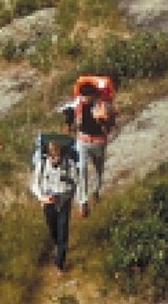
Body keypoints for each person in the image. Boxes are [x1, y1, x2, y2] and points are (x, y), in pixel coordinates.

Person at [32, 139, 78, 272]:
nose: (55, 158)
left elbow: (75, 182)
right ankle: (58, 246)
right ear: (48, 154)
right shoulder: (41, 165)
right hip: (47, 202)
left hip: (63, 200)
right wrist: (42, 197)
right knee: (53, 228)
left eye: (57, 155)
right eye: (52, 155)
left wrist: (66, 193)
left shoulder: (69, 164)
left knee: (63, 228)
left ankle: (60, 263)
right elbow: (34, 184)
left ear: (61, 153)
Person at [73, 81, 114, 217]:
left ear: (93, 95)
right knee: (81, 169)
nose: (84, 98)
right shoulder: (78, 105)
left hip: (98, 141)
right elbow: (75, 121)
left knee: (98, 170)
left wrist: (103, 121)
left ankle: (96, 191)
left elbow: (110, 124)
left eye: (86, 95)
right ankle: (83, 202)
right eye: (82, 95)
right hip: (82, 141)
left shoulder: (103, 106)